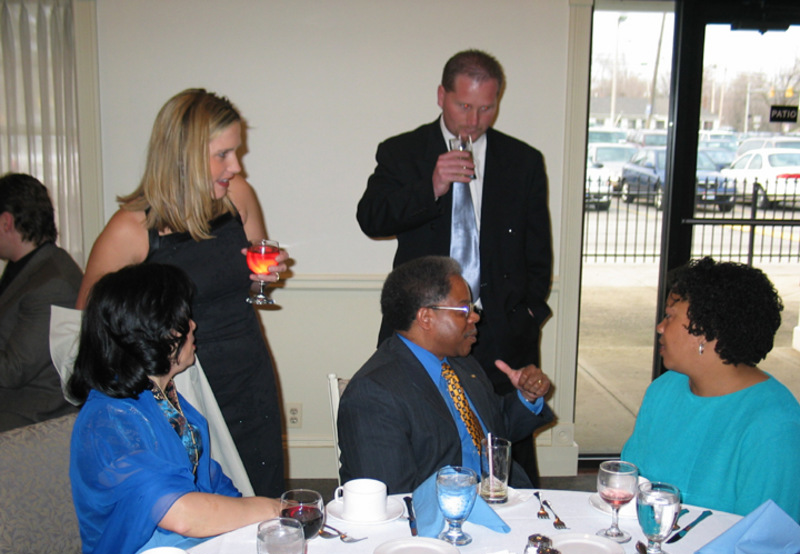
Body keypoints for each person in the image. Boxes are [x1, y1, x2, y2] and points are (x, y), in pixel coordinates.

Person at [76, 89, 287, 497]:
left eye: (235, 152)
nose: (236, 166)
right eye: (223, 155)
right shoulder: (131, 229)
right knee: (203, 499)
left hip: (249, 368)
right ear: (184, 156)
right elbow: (88, 322)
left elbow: (252, 282)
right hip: (184, 385)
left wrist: (266, 276)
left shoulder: (236, 196)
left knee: (262, 489)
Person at [356, 49, 552, 485]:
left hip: (501, 330)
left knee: (508, 445)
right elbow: (371, 218)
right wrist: (432, 185)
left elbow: (538, 252)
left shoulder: (522, 161)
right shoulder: (403, 151)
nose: (474, 120)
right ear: (441, 95)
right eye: (464, 105)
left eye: (487, 108)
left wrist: (528, 316)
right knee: (421, 433)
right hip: (424, 327)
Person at [69, 263, 281, 554]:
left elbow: (210, 483)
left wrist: (258, 524)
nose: (193, 325)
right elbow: (181, 513)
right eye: (181, 319)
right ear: (150, 333)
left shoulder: (162, 399)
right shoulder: (110, 421)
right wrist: (273, 510)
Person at [337, 256, 555, 494]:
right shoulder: (374, 394)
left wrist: (527, 397)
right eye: (464, 309)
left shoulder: (462, 364)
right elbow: (394, 497)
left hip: (506, 496)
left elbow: (494, 429)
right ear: (426, 318)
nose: (475, 317)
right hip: (446, 511)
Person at [621, 257, 800, 521]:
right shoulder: (664, 390)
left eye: (670, 316)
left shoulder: (774, 424)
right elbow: (628, 483)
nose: (660, 327)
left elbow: (767, 534)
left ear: (706, 330)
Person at [0, 173, 82, 431]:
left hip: (27, 419)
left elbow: (12, 371)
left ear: (5, 221)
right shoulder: (29, 267)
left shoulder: (52, 283)